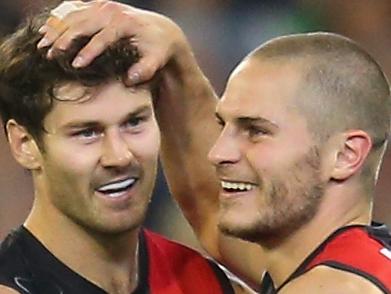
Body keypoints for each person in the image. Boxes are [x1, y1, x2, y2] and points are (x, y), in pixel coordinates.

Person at [38, 1, 391, 293]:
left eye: (256, 131)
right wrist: (175, 54)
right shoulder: (360, 260)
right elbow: (208, 203)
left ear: (346, 156)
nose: (218, 153)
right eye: (224, 125)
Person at [0, 8, 237, 294]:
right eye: (87, 133)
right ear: (24, 145)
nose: (120, 156)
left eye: (134, 122)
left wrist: (175, 46)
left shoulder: (202, 280)